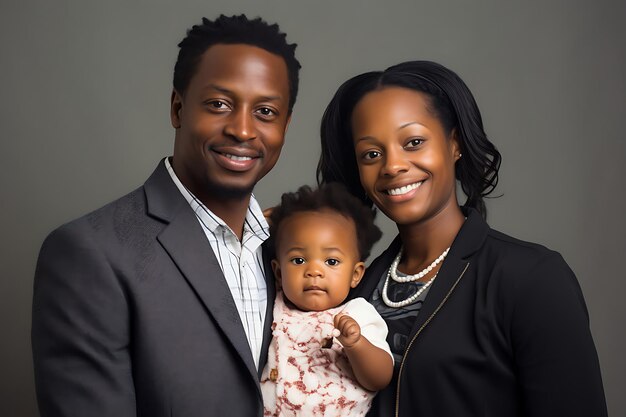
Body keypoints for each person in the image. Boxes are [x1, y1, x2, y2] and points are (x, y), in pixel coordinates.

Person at [31, 14, 300, 417]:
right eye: (219, 104)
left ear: (285, 125)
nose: (243, 131)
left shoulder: (294, 248)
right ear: (178, 107)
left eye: (265, 111)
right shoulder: (89, 254)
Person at [317, 60, 608, 417]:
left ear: (454, 144)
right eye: (371, 154)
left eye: (413, 142)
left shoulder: (531, 279)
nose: (392, 166)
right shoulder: (352, 288)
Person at [261, 184, 393, 417]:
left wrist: (356, 344)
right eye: (299, 260)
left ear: (355, 275)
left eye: (331, 262)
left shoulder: (356, 315)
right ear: (279, 273)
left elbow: (380, 377)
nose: (314, 271)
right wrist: (256, 226)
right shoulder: (274, 305)